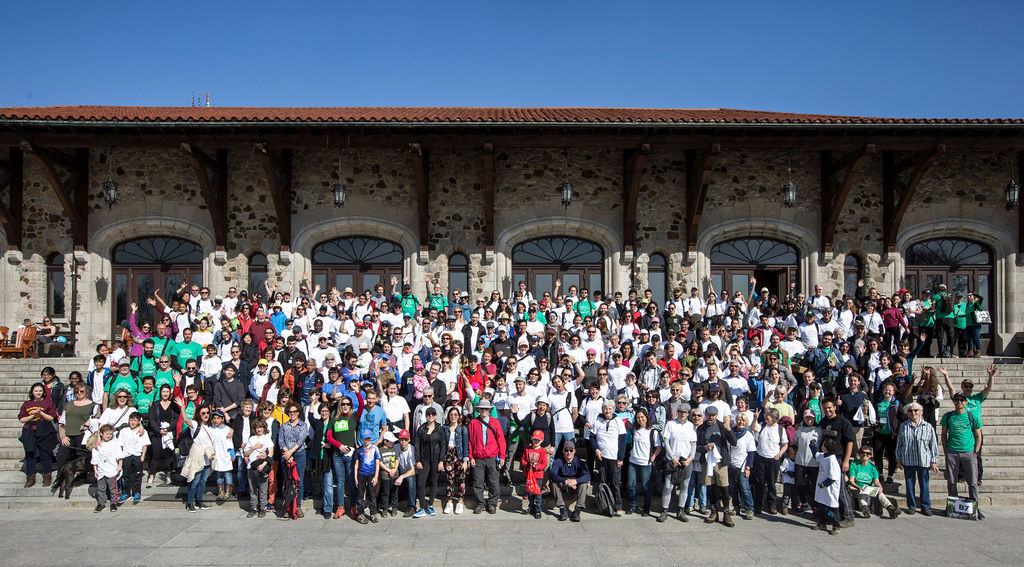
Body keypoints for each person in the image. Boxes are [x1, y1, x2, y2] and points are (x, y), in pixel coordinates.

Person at [895, 401, 940, 516]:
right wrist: (898, 459)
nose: (913, 413)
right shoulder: (904, 426)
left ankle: (925, 506)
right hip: (908, 459)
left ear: (920, 412)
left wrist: (934, 461)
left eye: (916, 410)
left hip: (923, 460)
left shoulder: (928, 426)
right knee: (910, 485)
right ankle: (911, 506)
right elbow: (899, 443)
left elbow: (933, 444)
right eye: (911, 411)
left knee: (924, 485)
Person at [940, 392, 982, 505]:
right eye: (957, 400)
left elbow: (978, 434)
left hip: (968, 451)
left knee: (972, 481)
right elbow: (943, 434)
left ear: (965, 402)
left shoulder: (971, 416)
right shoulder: (948, 416)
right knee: (952, 481)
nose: (959, 402)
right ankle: (953, 506)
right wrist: (946, 450)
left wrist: (976, 451)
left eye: (962, 400)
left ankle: (975, 506)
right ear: (953, 401)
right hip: (952, 451)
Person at [467, 398, 506, 514]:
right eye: (481, 409)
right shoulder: (473, 422)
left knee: (493, 482)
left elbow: (501, 440)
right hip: (478, 457)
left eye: (486, 409)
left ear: (489, 410)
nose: (483, 411)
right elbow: (470, 441)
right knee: (478, 482)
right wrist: (471, 457)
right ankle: (480, 503)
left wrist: (502, 456)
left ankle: (492, 504)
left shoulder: (495, 422)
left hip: (492, 457)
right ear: (478, 410)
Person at [19, 382, 58, 488]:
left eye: (40, 391)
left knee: (45, 453)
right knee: (30, 454)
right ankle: (30, 477)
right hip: (30, 430)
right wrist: (32, 416)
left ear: (43, 392)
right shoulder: (27, 404)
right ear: (32, 392)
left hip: (44, 429)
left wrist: (40, 413)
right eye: (36, 391)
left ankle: (47, 475)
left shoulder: (48, 403)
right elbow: (22, 419)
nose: (38, 393)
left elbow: (51, 418)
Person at [592, 400, 628, 516]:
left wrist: (620, 458)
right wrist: (596, 449)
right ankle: (603, 505)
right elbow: (592, 437)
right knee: (602, 482)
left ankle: (617, 505)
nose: (607, 411)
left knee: (615, 482)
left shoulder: (618, 421)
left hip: (614, 457)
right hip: (602, 457)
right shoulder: (598, 420)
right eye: (605, 409)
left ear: (613, 410)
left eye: (609, 409)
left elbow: (622, 440)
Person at [326, 396, 359, 519]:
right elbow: (329, 437)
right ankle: (340, 507)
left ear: (351, 406)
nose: (345, 406)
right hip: (338, 455)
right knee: (340, 482)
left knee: (351, 482)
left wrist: (357, 392)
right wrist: (339, 446)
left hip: (350, 455)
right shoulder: (334, 419)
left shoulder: (353, 417)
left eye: (348, 404)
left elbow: (361, 405)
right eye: (343, 404)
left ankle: (353, 506)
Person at [278, 402, 311, 518]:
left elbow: (301, 440)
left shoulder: (302, 425)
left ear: (298, 413)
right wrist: (287, 452)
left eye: (294, 412)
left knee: (299, 481)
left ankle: (297, 506)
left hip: (299, 454)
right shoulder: (284, 426)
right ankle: (288, 506)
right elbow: (281, 440)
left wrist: (290, 452)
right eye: (290, 412)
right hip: (286, 455)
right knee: (288, 482)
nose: (292, 414)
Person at [626, 408, 661, 516]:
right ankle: (632, 505)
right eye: (638, 417)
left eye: (642, 417)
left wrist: (653, 457)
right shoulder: (635, 429)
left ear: (646, 418)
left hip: (646, 463)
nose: (640, 419)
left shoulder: (652, 431)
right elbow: (628, 424)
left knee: (646, 487)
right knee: (631, 484)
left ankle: (646, 508)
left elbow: (659, 447)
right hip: (633, 460)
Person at [848, 446, 900, 519]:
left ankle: (890, 508)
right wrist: (858, 487)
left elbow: (876, 481)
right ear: (859, 454)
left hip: (867, 487)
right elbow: (851, 481)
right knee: (861, 493)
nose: (865, 455)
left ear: (870, 455)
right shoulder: (854, 464)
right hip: (856, 486)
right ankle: (864, 508)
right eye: (862, 453)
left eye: (867, 453)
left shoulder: (873, 467)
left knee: (879, 492)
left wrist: (880, 487)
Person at [412, 406, 444, 518]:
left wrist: (441, 461)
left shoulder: (440, 429)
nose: (430, 416)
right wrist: (418, 460)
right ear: (426, 416)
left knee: (434, 482)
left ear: (435, 416)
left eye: (432, 414)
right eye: (428, 414)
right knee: (421, 483)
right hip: (424, 459)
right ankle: (421, 506)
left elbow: (442, 445)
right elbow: (417, 445)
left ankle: (430, 505)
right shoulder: (421, 429)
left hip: (435, 459)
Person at [549, 440, 590, 522]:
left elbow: (588, 475)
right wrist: (565, 481)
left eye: (571, 450)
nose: (569, 453)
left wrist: (575, 481)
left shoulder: (580, 462)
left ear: (574, 451)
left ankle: (577, 510)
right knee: (554, 483)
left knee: (584, 484)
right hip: (563, 485)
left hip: (575, 486)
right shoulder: (558, 462)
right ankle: (562, 508)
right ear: (563, 451)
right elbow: (553, 474)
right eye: (566, 450)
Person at [242, 418, 274, 518]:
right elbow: (246, 453)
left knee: (263, 489)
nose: (259, 429)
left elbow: (271, 453)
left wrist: (263, 465)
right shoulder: (252, 439)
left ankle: (263, 508)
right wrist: (254, 448)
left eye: (261, 427)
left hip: (262, 466)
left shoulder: (267, 438)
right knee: (252, 489)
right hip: (251, 466)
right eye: (257, 427)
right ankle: (253, 508)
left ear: (264, 428)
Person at [117, 412, 151, 505]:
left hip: (137, 455)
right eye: (131, 420)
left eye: (135, 420)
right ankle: (126, 493)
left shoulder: (142, 432)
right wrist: (120, 458)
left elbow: (145, 445)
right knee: (126, 476)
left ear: (139, 422)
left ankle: (137, 493)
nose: (132, 422)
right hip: (126, 455)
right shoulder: (124, 431)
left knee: (137, 476)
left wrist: (143, 456)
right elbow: (120, 445)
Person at [441, 407, 469, 514]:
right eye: (451, 414)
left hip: (459, 455)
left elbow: (465, 444)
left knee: (461, 479)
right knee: (450, 479)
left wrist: (465, 460)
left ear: (459, 417)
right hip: (448, 455)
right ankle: (449, 501)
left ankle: (460, 501)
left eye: (455, 415)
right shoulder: (445, 429)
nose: (453, 417)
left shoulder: (462, 429)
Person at [91, 424, 123, 513]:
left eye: (110, 434)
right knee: (101, 489)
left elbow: (119, 456)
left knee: (113, 489)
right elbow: (95, 459)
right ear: (101, 434)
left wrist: (119, 465)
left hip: (112, 470)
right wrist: (95, 470)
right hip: (101, 471)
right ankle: (101, 504)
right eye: (107, 434)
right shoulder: (98, 446)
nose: (109, 436)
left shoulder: (114, 444)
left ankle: (113, 503)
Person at [352, 429, 382, 524]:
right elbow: (356, 464)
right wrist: (355, 477)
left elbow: (377, 462)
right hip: (361, 474)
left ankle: (373, 513)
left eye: (369, 438)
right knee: (360, 495)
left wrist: (376, 476)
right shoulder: (359, 450)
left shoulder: (374, 449)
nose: (367, 440)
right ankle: (360, 514)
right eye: (365, 438)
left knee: (372, 495)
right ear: (361, 439)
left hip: (371, 474)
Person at [813, 438, 842, 535]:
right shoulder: (823, 456)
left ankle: (836, 525)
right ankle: (822, 523)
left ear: (826, 447)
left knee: (832, 507)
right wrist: (812, 445)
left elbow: (833, 477)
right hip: (822, 488)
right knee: (822, 506)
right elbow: (815, 455)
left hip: (829, 488)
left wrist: (824, 484)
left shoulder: (832, 460)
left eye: (823, 444)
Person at [521, 430, 549, 518]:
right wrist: (526, 465)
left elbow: (544, 463)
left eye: (538, 440)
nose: (536, 442)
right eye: (535, 440)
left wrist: (536, 467)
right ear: (532, 440)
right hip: (529, 475)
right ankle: (531, 507)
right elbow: (523, 459)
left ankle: (538, 509)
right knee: (530, 493)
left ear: (542, 441)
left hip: (538, 475)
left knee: (537, 493)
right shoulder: (528, 449)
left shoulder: (542, 451)